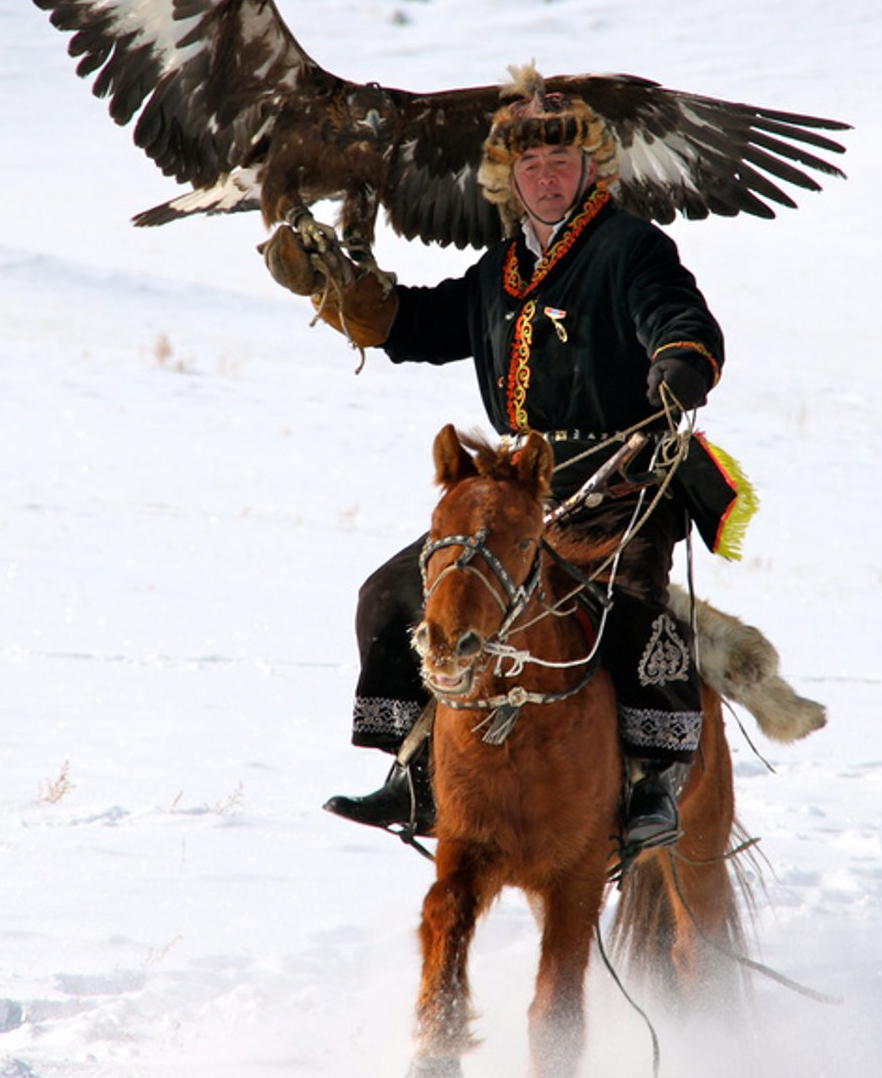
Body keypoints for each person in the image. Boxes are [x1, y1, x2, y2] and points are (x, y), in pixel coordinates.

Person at [262, 66, 753, 855]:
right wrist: (344, 293)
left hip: (622, 482)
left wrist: (678, 363)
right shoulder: (500, 270)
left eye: (562, 163)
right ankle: (417, 771)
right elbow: (420, 325)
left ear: (591, 168)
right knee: (388, 596)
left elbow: (680, 315)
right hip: (515, 497)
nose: (548, 177)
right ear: (508, 178)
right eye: (531, 167)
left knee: (634, 612)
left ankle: (651, 784)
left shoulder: (629, 246)